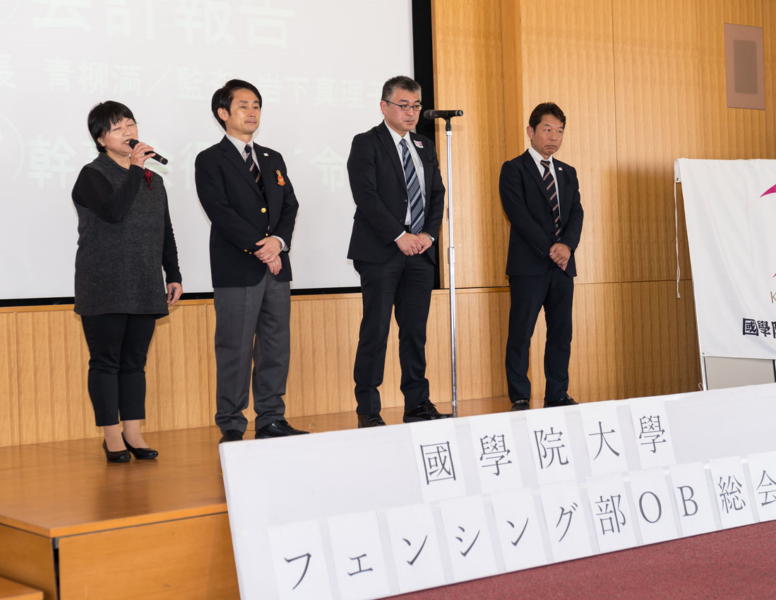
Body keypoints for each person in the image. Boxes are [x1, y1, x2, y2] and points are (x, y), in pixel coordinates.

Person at [195, 79, 307, 443]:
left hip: (277, 268)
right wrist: (261, 247)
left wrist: (278, 243)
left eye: (256, 105)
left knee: (275, 346)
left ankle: (271, 418)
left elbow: (289, 205)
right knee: (235, 348)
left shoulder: (272, 158)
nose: (252, 112)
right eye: (243, 105)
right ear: (223, 113)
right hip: (237, 268)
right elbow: (220, 211)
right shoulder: (210, 159)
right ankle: (231, 422)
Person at [72, 101, 182, 463]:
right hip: (104, 284)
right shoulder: (92, 175)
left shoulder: (154, 181)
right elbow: (114, 212)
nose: (128, 133)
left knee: (135, 362)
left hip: (144, 281)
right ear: (101, 139)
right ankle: (112, 436)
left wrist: (173, 274)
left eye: (131, 125)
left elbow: (164, 231)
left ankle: (133, 432)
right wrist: (136, 169)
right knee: (106, 361)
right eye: (117, 128)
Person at [347, 75, 449, 427]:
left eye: (416, 106)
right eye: (403, 105)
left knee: (415, 332)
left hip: (420, 252)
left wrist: (428, 236)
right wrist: (398, 235)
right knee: (375, 330)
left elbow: (436, 193)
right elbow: (366, 196)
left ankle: (417, 403)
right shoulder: (366, 143)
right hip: (381, 252)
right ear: (384, 106)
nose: (411, 112)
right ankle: (368, 409)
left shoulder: (424, 145)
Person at [499, 102, 584, 411]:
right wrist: (552, 248)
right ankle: (520, 396)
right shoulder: (513, 169)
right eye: (547, 129)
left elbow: (576, 214)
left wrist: (567, 246)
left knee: (561, 333)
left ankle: (557, 394)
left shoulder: (568, 172)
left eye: (559, 131)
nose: (554, 137)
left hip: (562, 266)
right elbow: (518, 215)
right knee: (521, 332)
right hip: (529, 265)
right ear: (531, 131)